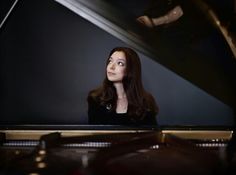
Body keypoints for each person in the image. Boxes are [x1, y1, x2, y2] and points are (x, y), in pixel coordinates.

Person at [87, 47, 159, 125]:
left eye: (120, 63)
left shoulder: (146, 102)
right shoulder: (95, 99)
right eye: (110, 61)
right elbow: (95, 134)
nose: (111, 67)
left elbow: (151, 135)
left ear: (131, 69)